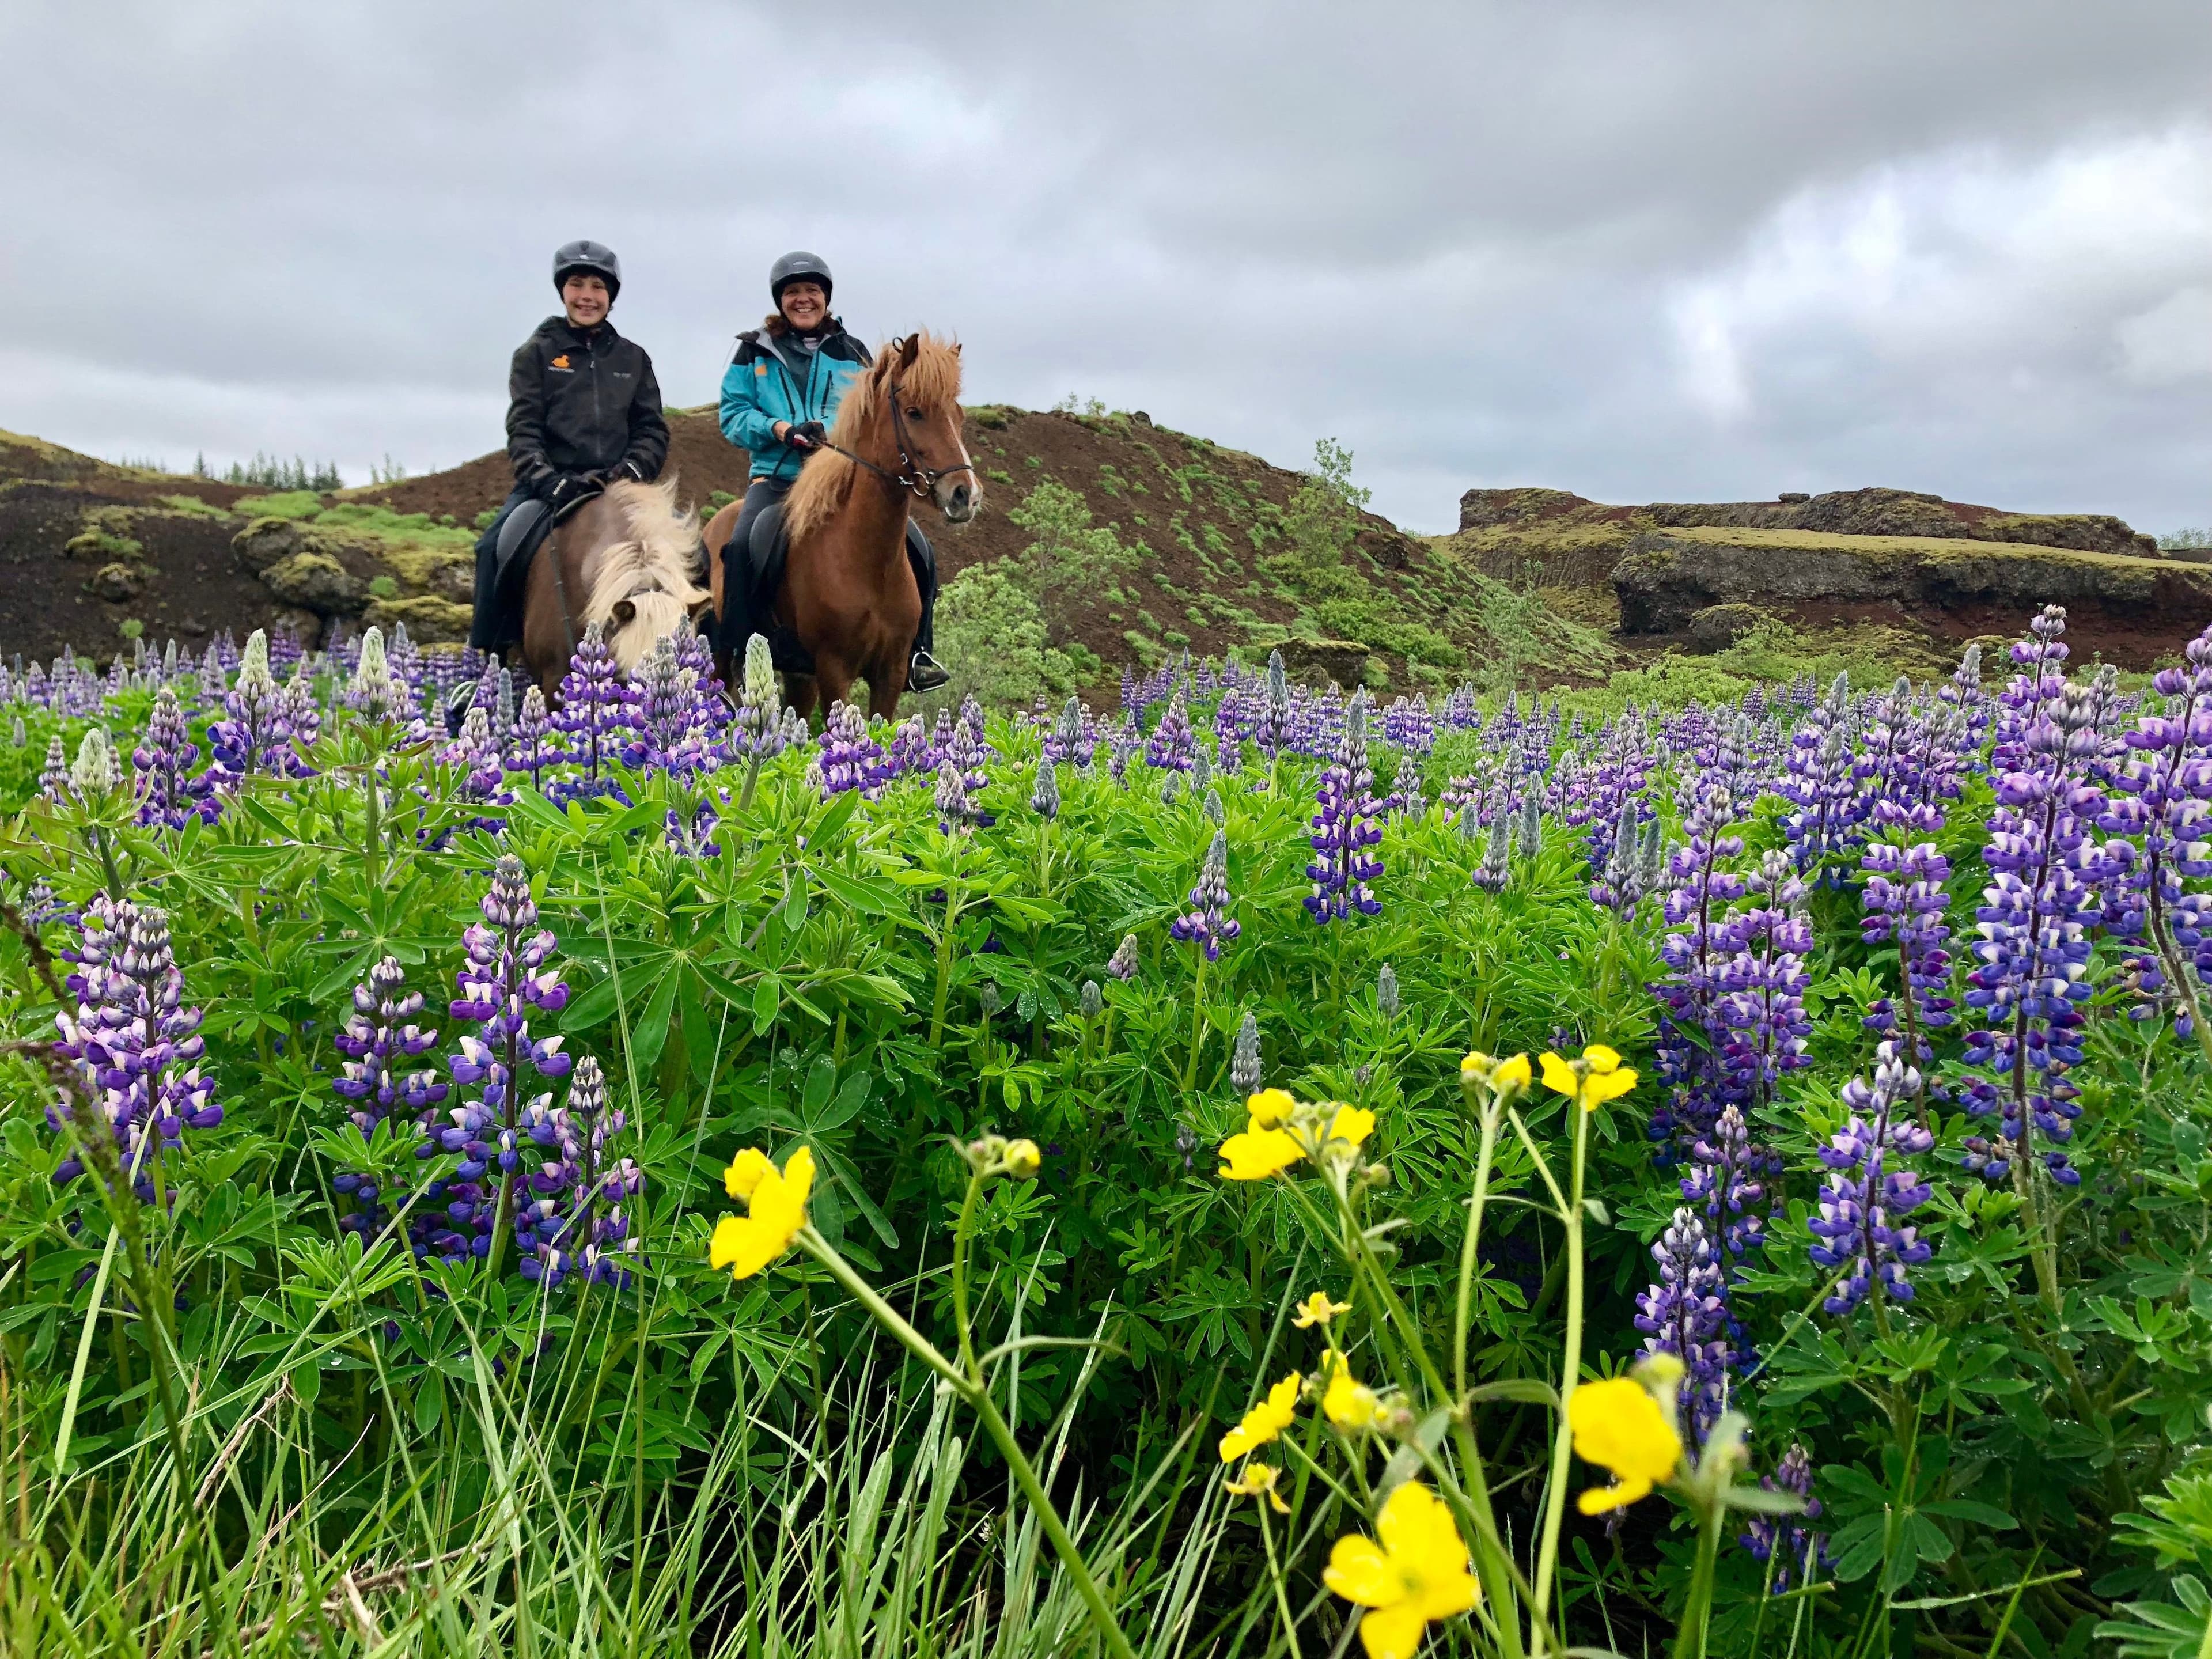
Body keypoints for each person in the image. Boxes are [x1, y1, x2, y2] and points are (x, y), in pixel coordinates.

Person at [716, 251, 947, 691]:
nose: (803, 299)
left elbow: (875, 413)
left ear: (826, 298)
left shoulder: (852, 351)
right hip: (778, 477)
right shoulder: (753, 352)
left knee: (920, 549)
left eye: (812, 291)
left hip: (843, 479)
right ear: (780, 300)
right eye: (793, 292)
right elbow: (733, 413)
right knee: (745, 544)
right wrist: (780, 429)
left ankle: (918, 653)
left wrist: (834, 432)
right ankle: (742, 654)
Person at [466, 239, 669, 662]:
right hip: (551, 488)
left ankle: (706, 659)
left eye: (598, 287)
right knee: (493, 547)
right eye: (577, 285)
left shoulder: (633, 359)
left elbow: (651, 429)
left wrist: (630, 472)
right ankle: (489, 658)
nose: (587, 296)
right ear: (563, 292)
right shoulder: (536, 354)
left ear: (611, 296)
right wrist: (549, 481)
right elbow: (524, 429)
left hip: (622, 488)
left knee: (696, 553)